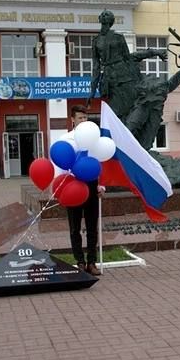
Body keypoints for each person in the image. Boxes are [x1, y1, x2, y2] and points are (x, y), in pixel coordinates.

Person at [88, 10, 164, 120]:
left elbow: (129, 57)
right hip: (109, 79)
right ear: (99, 19)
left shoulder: (118, 37)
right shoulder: (95, 41)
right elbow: (96, 66)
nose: (105, 15)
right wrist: (92, 90)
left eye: (108, 15)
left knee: (129, 108)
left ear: (111, 21)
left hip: (124, 77)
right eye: (103, 14)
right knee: (116, 112)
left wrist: (153, 53)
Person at [67, 105, 106, 275]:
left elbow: (101, 162)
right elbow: (60, 166)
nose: (83, 120)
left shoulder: (94, 138)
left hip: (91, 185)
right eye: (80, 117)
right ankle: (80, 262)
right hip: (72, 186)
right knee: (75, 227)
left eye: (85, 117)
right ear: (72, 119)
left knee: (92, 227)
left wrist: (101, 185)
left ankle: (92, 262)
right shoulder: (66, 139)